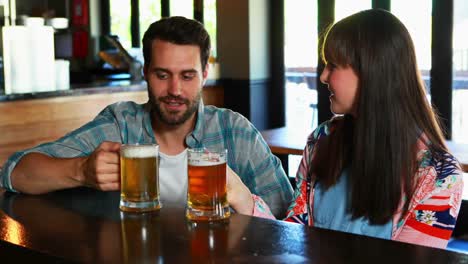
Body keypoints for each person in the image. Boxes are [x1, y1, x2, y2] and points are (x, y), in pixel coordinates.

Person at [0, 16, 293, 218]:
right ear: (145, 74)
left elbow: (287, 215)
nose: (175, 90)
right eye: (162, 75)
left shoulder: (234, 130)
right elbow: (15, 172)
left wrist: (242, 199)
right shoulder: (121, 123)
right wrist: (80, 170)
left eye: (188, 76)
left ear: (205, 74)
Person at [232, 9, 464, 248]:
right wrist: (242, 198)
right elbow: (296, 238)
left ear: (371, 72)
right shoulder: (321, 141)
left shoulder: (439, 174)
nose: (323, 76)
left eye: (333, 65)